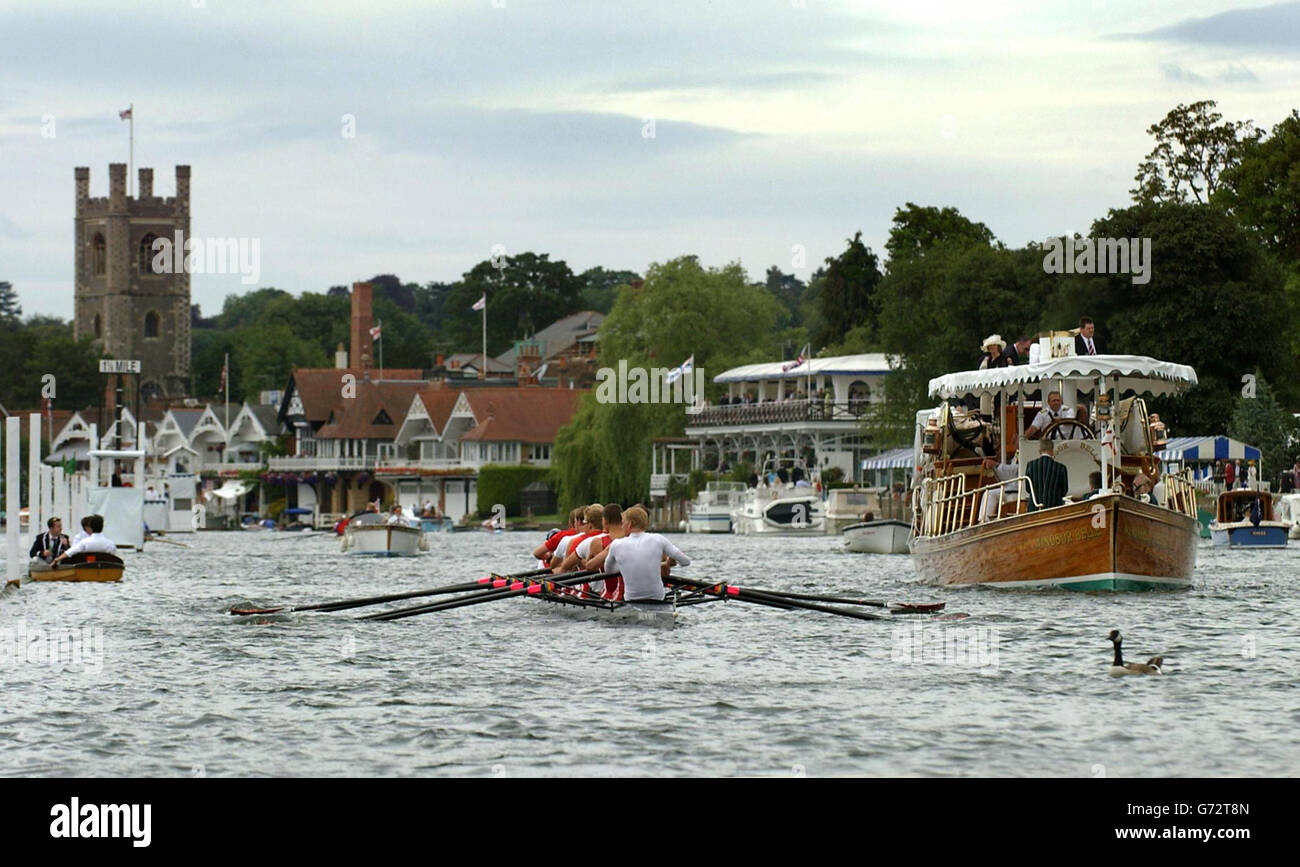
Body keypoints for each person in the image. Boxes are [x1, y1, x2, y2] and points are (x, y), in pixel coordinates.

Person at [600, 506, 691, 602]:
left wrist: (624, 566)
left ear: (629, 524)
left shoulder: (616, 544)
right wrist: (667, 562)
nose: (622, 526)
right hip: (657, 599)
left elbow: (609, 571)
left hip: (631, 599)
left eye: (623, 523)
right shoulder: (658, 539)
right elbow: (686, 562)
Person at [1025, 439, 1068, 511]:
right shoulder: (1060, 468)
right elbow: (1064, 490)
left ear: (1040, 449)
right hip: (1054, 508)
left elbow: (1028, 488)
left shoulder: (1031, 465)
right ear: (1052, 449)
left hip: (1034, 508)